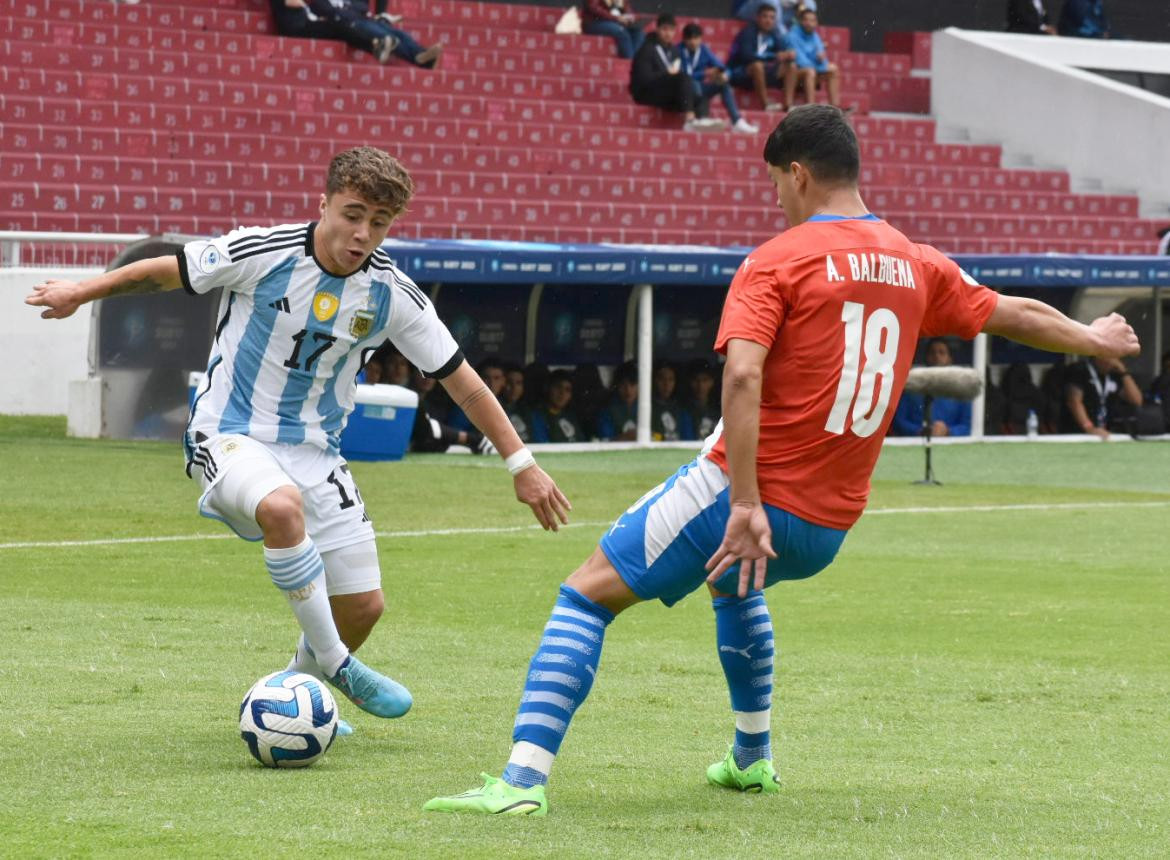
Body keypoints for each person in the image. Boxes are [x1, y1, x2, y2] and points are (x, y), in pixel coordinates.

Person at [422, 105, 1140, 816]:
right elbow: (1009, 312)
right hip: (827, 525)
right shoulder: (915, 262)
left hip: (751, 497)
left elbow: (741, 375)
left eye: (775, 185)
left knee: (586, 593)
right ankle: (751, 758)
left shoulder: (778, 260)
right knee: (734, 590)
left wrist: (742, 503)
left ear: (797, 174)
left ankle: (519, 782)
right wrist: (1091, 336)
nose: (776, 199)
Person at [26, 146, 571, 736]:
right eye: (353, 213)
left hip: (317, 451)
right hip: (230, 433)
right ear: (325, 204)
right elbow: (167, 268)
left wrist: (522, 464)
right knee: (280, 509)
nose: (363, 233)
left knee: (364, 605)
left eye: (379, 223)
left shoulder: (391, 294)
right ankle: (338, 663)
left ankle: (294, 700)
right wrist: (84, 290)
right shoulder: (263, 252)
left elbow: (464, 385)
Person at [630, 15, 726, 133]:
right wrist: (666, 75)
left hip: (664, 93)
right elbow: (643, 78)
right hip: (646, 93)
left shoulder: (674, 51)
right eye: (664, 29)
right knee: (682, 77)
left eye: (671, 30)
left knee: (701, 99)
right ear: (657, 29)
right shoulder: (647, 48)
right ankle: (689, 120)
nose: (668, 34)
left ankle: (702, 121)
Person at [680, 23, 760, 135]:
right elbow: (683, 76)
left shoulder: (703, 49)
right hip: (685, 90)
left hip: (700, 88)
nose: (693, 42)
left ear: (701, 39)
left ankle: (737, 121)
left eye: (696, 38)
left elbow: (721, 66)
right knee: (691, 83)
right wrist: (705, 73)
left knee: (723, 84)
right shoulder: (679, 50)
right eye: (690, 39)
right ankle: (699, 117)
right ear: (684, 39)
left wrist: (723, 74)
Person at [891, 338, 972, 437]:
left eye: (941, 352)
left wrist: (948, 431)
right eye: (932, 352)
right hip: (915, 445)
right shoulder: (912, 388)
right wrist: (919, 431)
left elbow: (969, 426)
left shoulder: (961, 391)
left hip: (952, 446)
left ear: (950, 359)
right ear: (926, 357)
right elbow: (899, 421)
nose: (936, 356)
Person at [268, 0, 395, 62]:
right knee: (337, 26)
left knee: (338, 25)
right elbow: (290, 2)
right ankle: (373, 44)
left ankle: (373, 45)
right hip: (296, 27)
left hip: (306, 22)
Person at [728, 3, 796, 113]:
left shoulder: (774, 34)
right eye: (765, 16)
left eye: (772, 18)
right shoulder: (748, 32)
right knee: (757, 65)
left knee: (791, 66)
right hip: (742, 73)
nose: (768, 20)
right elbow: (746, 56)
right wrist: (774, 56)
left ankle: (788, 105)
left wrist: (788, 54)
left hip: (766, 72)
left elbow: (782, 52)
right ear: (757, 18)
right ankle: (766, 105)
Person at [1061, 355, 1142, 437]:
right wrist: (1089, 428)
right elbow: (1074, 402)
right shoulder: (1079, 370)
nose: (1113, 361)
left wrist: (1124, 372)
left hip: (1103, 433)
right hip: (1076, 434)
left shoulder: (1114, 374)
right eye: (1109, 355)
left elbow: (1136, 400)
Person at [785, 9, 843, 110]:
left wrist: (821, 60)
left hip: (812, 71)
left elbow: (823, 60)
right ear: (800, 21)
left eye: (812, 20)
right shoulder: (792, 35)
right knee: (810, 71)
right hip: (794, 74)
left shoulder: (815, 36)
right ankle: (811, 109)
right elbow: (800, 61)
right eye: (806, 20)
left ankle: (835, 109)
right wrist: (818, 65)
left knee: (833, 69)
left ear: (816, 23)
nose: (809, 23)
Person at [530, 370, 587, 443]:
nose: (562, 393)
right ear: (547, 388)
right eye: (558, 387)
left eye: (567, 390)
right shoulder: (537, 416)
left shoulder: (570, 417)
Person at [596, 361, 639, 440]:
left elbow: (658, 437)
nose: (628, 390)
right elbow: (606, 442)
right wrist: (627, 437)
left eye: (632, 384)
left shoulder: (645, 407)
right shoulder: (607, 411)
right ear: (616, 386)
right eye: (623, 384)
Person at [651, 362, 692, 441]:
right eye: (661, 379)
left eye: (670, 379)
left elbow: (688, 439)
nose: (666, 384)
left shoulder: (681, 409)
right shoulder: (648, 408)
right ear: (654, 381)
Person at [683, 358, 721, 439]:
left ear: (712, 382)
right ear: (690, 382)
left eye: (705, 380)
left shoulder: (718, 409)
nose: (700, 385)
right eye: (696, 380)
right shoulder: (684, 410)